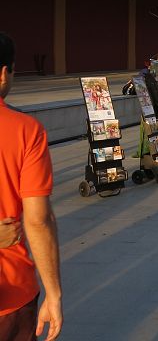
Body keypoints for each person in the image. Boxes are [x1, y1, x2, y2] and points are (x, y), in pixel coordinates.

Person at [0, 33, 63, 341]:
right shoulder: (26, 131)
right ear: (3, 73)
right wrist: (54, 294)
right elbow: (38, 220)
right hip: (12, 292)